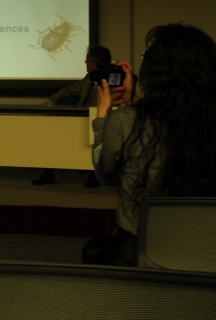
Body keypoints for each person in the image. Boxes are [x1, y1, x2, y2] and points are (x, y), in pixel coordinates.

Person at [84, 24, 216, 266]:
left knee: (92, 251)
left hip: (140, 248)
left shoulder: (124, 121)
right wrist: (133, 100)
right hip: (204, 248)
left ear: (153, 73)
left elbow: (105, 173)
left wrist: (102, 119)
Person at [33, 46, 114, 187]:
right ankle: (50, 172)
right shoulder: (89, 78)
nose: (85, 63)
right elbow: (68, 90)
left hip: (99, 122)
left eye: (86, 61)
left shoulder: (111, 80)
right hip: (81, 119)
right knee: (53, 135)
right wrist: (52, 100)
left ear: (93, 64)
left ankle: (94, 174)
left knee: (90, 138)